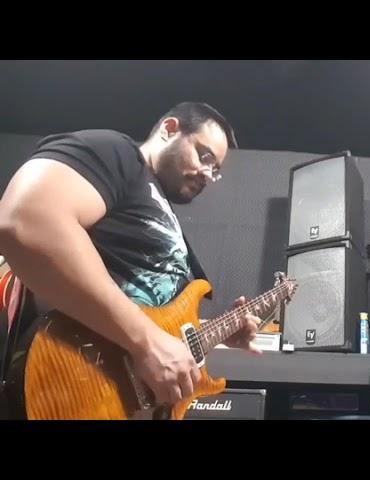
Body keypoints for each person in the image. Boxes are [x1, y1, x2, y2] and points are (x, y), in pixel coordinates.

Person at [0, 102, 263, 418]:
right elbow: (26, 219)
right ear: (169, 129)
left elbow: (146, 308)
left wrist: (217, 331)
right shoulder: (118, 153)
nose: (207, 174)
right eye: (204, 157)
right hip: (67, 382)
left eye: (215, 170)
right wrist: (147, 343)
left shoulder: (156, 206)